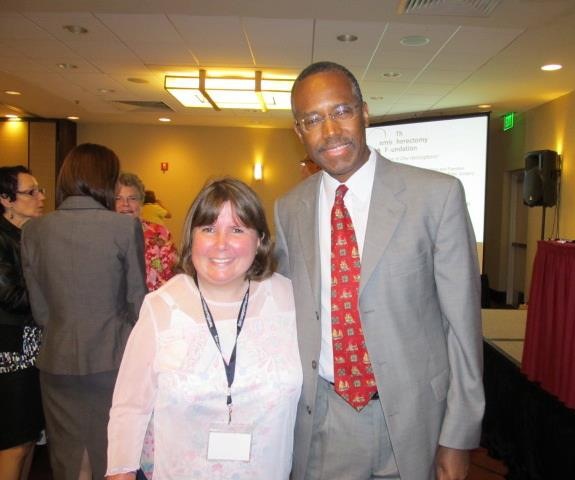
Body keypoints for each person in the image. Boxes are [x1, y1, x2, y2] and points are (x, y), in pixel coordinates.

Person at [274, 61, 484, 480]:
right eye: (312, 119)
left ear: (364, 112)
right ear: (299, 132)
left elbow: (462, 328)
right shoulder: (288, 209)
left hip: (414, 423)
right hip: (325, 422)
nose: (330, 131)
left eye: (341, 111)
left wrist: (458, 437)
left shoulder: (436, 196)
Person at [106, 178, 302, 480]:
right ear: (191, 237)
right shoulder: (162, 306)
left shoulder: (289, 300)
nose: (220, 244)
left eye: (237, 229)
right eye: (208, 229)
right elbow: (130, 404)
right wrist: (121, 470)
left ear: (260, 239)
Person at [21, 143, 147, 480]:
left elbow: (40, 309)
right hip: (113, 359)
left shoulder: (34, 230)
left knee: (68, 454)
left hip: (57, 361)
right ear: (106, 179)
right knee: (113, 452)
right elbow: (138, 301)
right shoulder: (123, 228)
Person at [0, 166, 46, 480]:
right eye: (31, 192)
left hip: (31, 347)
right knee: (13, 442)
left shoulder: (30, 235)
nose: (41, 197)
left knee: (29, 437)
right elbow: (10, 297)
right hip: (9, 347)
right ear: (6, 199)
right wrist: (52, 290)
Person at [115, 173, 178, 292]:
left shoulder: (160, 233)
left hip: (155, 304)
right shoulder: (104, 237)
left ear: (141, 202)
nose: (125, 204)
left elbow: (173, 278)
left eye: (132, 198)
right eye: (118, 198)